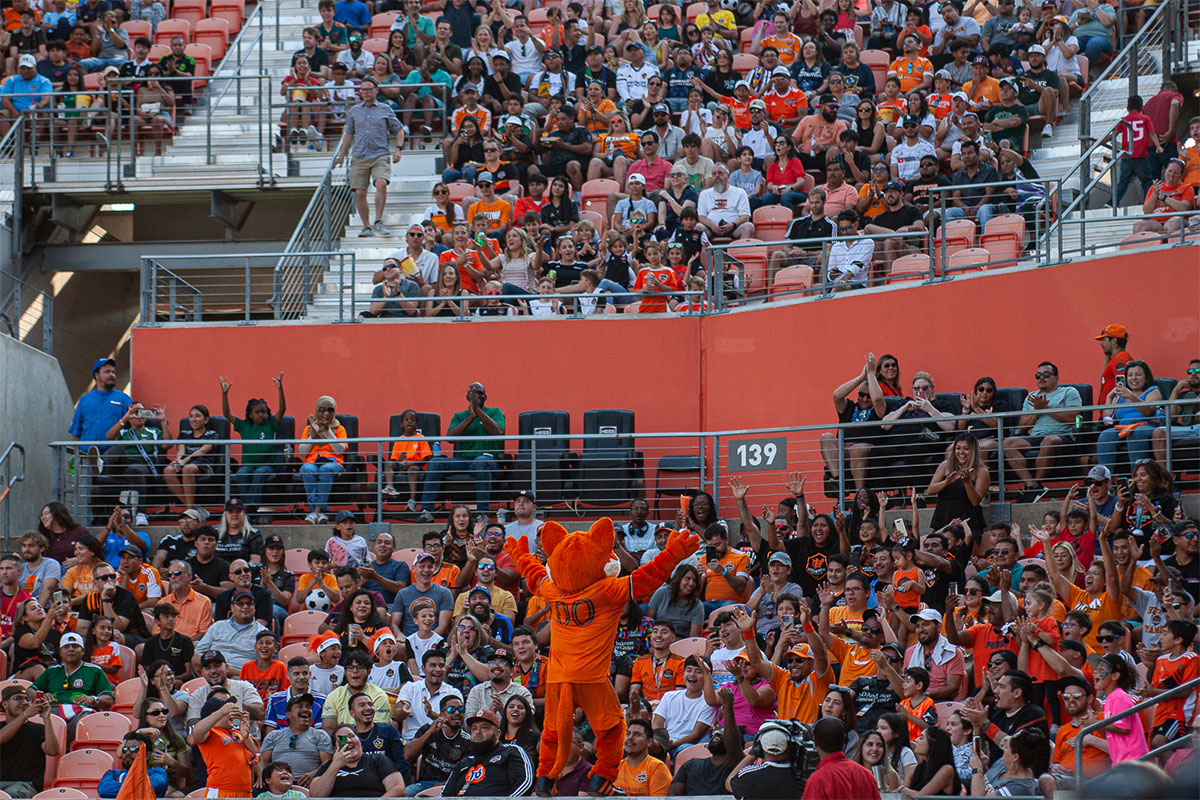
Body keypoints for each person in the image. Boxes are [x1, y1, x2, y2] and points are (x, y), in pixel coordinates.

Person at [416, 383, 504, 517]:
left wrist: (479, 412)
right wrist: (470, 417)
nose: (476, 396)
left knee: (480, 462)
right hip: (464, 460)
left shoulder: (495, 412)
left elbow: (499, 432)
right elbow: (450, 438)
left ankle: (482, 513)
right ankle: (426, 511)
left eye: (479, 393)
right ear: (467, 397)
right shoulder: (459, 416)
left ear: (485, 396)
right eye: (473, 393)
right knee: (435, 462)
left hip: (487, 459)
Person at [1001, 362, 1083, 500]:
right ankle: (1033, 486)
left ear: (1056, 378)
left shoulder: (1068, 392)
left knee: (1049, 440)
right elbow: (1021, 427)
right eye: (1038, 375)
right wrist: (1037, 412)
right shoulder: (1032, 397)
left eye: (1046, 374)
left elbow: (1072, 417)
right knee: (1008, 443)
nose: (1041, 378)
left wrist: (1046, 409)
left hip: (1062, 436)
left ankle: (1035, 486)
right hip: (1036, 436)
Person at [333, 77, 404, 238]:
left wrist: (398, 149)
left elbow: (399, 129)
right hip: (359, 155)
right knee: (359, 192)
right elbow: (349, 134)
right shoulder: (354, 111)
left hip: (380, 154)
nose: (366, 93)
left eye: (369, 89)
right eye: (363, 90)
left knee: (381, 183)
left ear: (376, 90)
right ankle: (366, 226)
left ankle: (378, 221)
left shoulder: (385, 109)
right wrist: (342, 155)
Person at [441, 709, 534, 796]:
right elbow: (445, 795)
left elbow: (525, 783)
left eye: (485, 728)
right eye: (474, 728)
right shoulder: (463, 763)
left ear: (497, 734)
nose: (478, 732)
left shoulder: (510, 752)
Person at [189, 695, 258, 797]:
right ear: (214, 715)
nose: (232, 715)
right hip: (221, 789)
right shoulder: (211, 732)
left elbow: (256, 752)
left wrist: (246, 737)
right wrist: (221, 712)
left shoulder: (238, 732)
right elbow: (197, 734)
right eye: (227, 712)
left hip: (245, 791)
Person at [0, 684, 60, 797]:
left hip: (25, 786)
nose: (25, 702)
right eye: (18, 698)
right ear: (5, 704)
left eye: (27, 699)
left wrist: (47, 718)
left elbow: (52, 751)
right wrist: (25, 715)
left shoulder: (38, 729)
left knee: (11, 794)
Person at [403, 694, 469, 795]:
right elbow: (407, 755)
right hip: (425, 783)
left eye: (461, 710)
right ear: (441, 714)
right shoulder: (428, 729)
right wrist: (429, 733)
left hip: (453, 786)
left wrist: (446, 784)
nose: (457, 713)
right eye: (451, 709)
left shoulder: (467, 740)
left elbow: (466, 773)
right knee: (405, 794)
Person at [97, 732, 170, 798]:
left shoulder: (158, 773)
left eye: (133, 749)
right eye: (125, 749)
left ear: (147, 755)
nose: (128, 753)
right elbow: (104, 790)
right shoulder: (113, 774)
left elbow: (145, 788)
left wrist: (121, 781)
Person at [615, 718, 672, 796]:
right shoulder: (616, 767)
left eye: (637, 734)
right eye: (628, 733)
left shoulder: (657, 768)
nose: (630, 738)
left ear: (649, 742)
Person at [903, 727, 961, 796]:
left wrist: (902, 789)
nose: (916, 740)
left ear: (933, 743)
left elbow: (922, 796)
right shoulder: (913, 769)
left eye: (921, 738)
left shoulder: (947, 769)